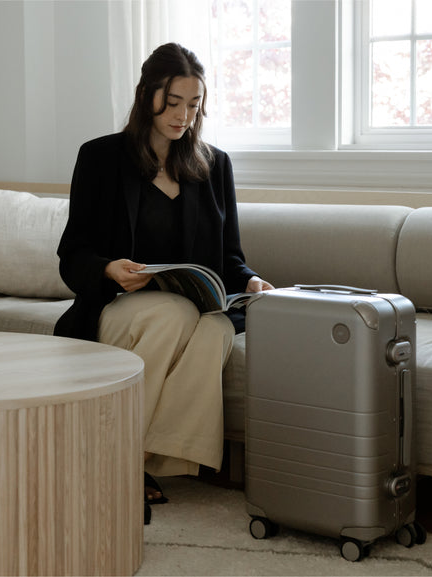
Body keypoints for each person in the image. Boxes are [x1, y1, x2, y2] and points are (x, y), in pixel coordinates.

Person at [53, 43, 273, 519]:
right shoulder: (100, 158)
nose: (183, 116)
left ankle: (137, 457)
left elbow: (231, 258)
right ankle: (114, 457)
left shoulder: (215, 166)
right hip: (117, 307)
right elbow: (72, 255)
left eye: (193, 105)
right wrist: (109, 268)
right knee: (175, 313)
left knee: (215, 328)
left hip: (192, 310)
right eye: (172, 103)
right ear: (146, 95)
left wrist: (252, 282)